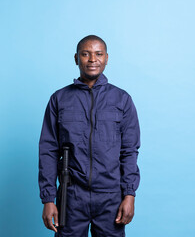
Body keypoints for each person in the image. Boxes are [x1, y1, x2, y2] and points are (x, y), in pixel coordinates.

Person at [39, 35, 140, 237]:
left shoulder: (122, 99)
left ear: (107, 58)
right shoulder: (59, 99)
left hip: (111, 197)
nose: (92, 59)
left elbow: (129, 151)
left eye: (98, 54)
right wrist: (48, 199)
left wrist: (129, 194)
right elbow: (48, 151)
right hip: (72, 196)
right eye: (85, 54)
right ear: (76, 58)